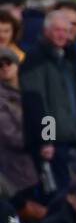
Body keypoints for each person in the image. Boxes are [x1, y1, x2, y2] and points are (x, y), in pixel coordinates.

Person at [20, 8, 76, 168]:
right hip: (52, 143)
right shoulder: (36, 58)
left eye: (66, 31)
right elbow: (37, 101)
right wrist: (46, 139)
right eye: (57, 30)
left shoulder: (67, 59)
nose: (62, 35)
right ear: (45, 31)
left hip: (71, 138)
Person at [0, 46, 37, 206]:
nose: (4, 67)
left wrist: (49, 140)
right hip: (14, 167)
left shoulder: (32, 91)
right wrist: (37, 142)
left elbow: (49, 116)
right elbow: (10, 135)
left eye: (8, 62)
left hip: (40, 162)